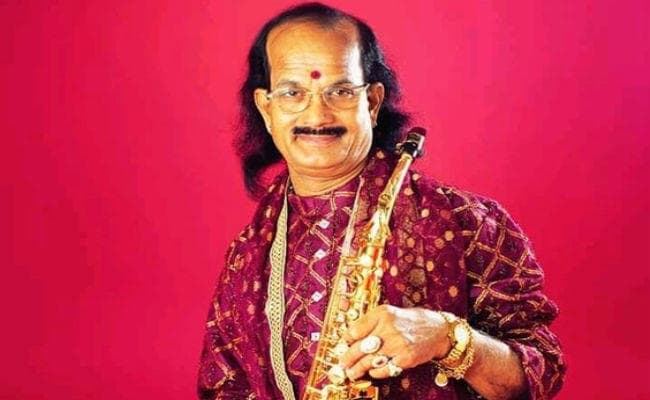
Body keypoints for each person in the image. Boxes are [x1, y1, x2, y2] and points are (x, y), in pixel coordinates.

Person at [197, 3, 565, 399]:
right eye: (292, 93)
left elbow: (540, 374)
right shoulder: (247, 257)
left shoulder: (466, 222)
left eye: (340, 91)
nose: (316, 114)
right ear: (267, 109)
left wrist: (449, 339)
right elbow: (221, 387)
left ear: (372, 102)